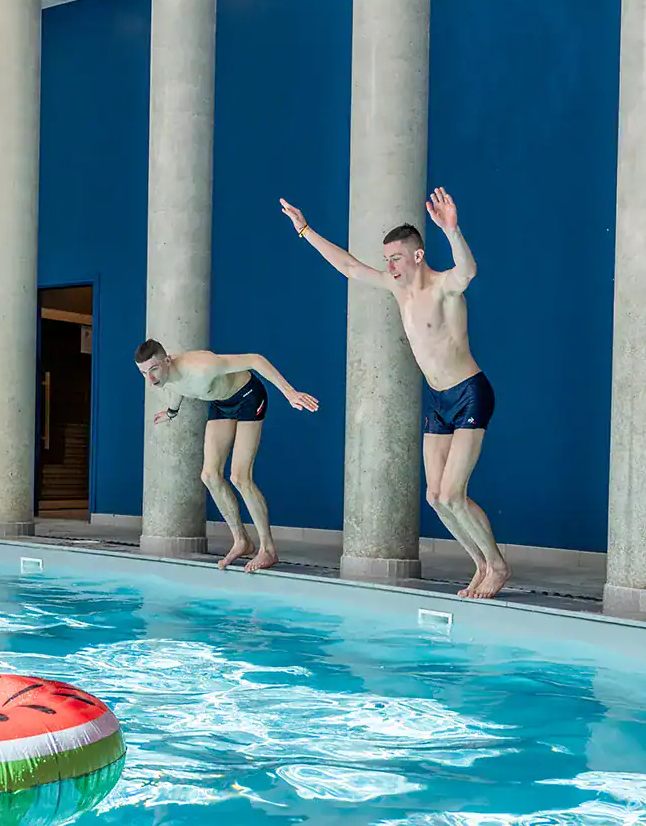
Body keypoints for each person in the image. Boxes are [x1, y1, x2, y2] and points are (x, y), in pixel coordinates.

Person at [280, 188, 510, 598]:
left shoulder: (443, 287)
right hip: (439, 401)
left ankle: (497, 564)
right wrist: (305, 230)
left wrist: (452, 231)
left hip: (470, 393)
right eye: (387, 260)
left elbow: (468, 271)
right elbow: (349, 267)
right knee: (437, 497)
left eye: (397, 258)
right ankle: (479, 564)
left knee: (455, 493)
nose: (390, 266)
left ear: (417, 255)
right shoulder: (397, 289)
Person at [134, 340, 319, 573]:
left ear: (167, 360)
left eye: (153, 370)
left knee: (240, 477)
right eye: (143, 373)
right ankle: (241, 540)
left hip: (249, 396)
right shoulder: (164, 376)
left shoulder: (202, 366)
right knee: (209, 475)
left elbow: (255, 359)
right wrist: (172, 412)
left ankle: (268, 549)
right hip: (221, 403)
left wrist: (289, 393)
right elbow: (175, 387)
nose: (150, 379)